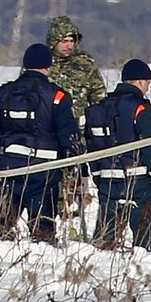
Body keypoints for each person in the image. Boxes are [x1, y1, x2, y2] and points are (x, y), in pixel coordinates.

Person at [0, 43, 79, 244]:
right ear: (48, 66)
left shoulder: (0, 94)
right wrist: (74, 166)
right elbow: (68, 137)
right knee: (42, 230)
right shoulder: (57, 96)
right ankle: (40, 257)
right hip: (44, 171)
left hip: (8, 169)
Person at [86, 59, 151, 251]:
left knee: (104, 244)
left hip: (107, 182)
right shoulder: (141, 109)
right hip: (138, 183)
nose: (147, 87)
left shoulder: (99, 109)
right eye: (147, 83)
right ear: (140, 82)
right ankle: (144, 268)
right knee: (145, 243)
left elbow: (92, 148)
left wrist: (98, 176)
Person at [45, 15, 107, 228]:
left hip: (76, 134)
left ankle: (72, 216)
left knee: (75, 177)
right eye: (64, 41)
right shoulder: (42, 64)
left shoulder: (85, 63)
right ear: (53, 41)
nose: (69, 45)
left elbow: (98, 97)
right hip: (47, 134)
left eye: (72, 41)